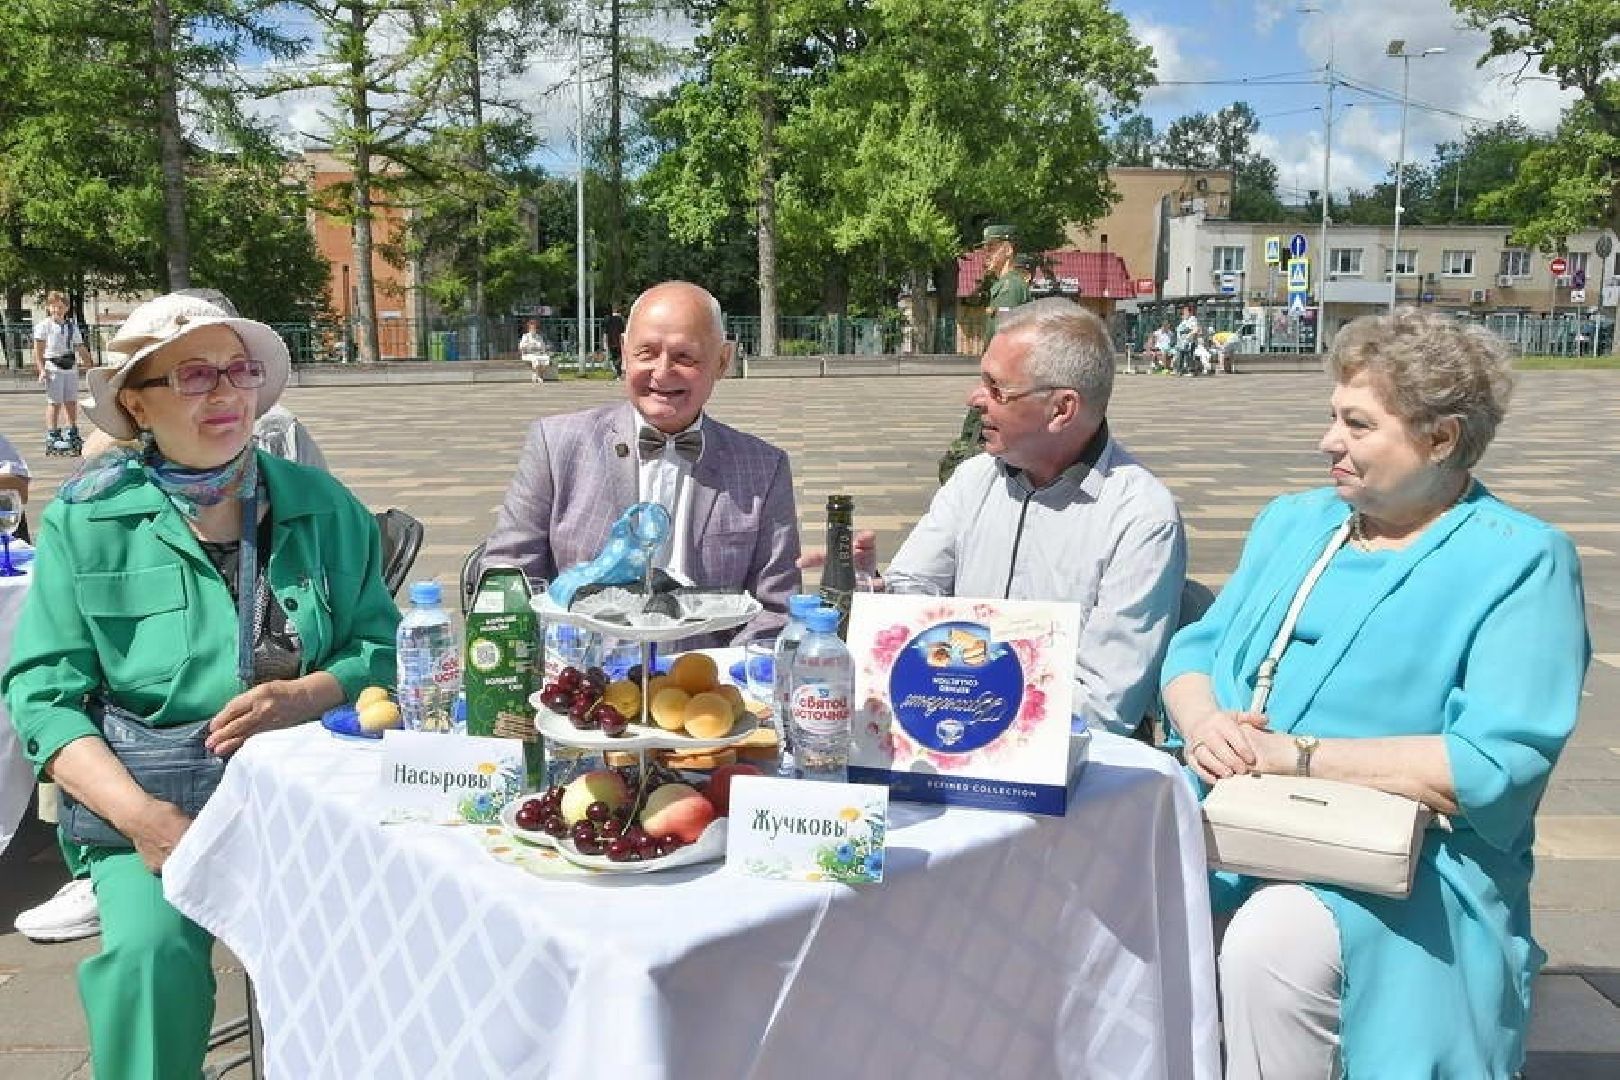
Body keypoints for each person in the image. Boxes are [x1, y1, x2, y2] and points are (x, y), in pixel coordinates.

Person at [1161, 309, 1589, 1078]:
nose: (1329, 443)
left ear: (1440, 439)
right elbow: (1194, 650)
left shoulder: (1522, 561)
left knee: (1273, 939)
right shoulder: (1294, 521)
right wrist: (1202, 724)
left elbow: (1492, 764)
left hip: (1407, 866)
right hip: (1227, 826)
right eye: (1334, 418)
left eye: (1358, 425)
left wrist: (1294, 756)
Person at [2, 291, 399, 1080]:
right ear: (137, 405)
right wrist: (144, 821)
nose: (225, 392)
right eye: (192, 375)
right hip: (152, 797)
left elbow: (384, 650)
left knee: (377, 948)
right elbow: (44, 695)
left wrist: (310, 692)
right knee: (151, 961)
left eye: (237, 370)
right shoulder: (87, 520)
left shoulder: (319, 503)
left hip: (307, 799)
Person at [839, 298, 1187, 736]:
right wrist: (871, 590)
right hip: (944, 729)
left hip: (1064, 768)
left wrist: (967, 709)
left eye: (996, 388)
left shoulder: (1141, 519)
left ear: (1061, 409)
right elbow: (916, 594)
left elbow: (1102, 705)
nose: (974, 399)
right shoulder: (974, 478)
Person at [482, 281, 801, 644]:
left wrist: (722, 679)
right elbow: (507, 575)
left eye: (685, 357)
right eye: (646, 353)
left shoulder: (764, 467)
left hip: (703, 688)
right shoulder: (557, 445)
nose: (662, 373)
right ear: (623, 352)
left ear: (722, 362)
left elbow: (775, 610)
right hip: (582, 682)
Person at [940, 225, 1034, 484]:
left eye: (993, 248)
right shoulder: (1003, 287)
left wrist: (994, 381)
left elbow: (1006, 339)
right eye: (985, 249)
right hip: (998, 380)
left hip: (1001, 382)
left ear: (1009, 250)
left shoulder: (1010, 288)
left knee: (974, 442)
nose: (987, 255)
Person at [33, 291, 93, 456]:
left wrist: (90, 367)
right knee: (55, 402)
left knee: (71, 401)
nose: (56, 310)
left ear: (66, 308)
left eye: (60, 307)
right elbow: (38, 351)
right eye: (53, 306)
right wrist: (41, 369)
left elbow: (80, 347)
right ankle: (52, 435)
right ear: (48, 307)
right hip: (53, 366)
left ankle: (71, 431)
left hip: (69, 366)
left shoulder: (71, 326)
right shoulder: (44, 326)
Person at [518, 318, 554, 383]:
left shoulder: (539, 337)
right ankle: (538, 376)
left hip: (538, 354)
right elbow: (521, 346)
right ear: (529, 328)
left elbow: (542, 347)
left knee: (547, 359)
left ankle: (538, 374)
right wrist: (531, 345)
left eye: (534, 328)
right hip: (528, 354)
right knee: (535, 360)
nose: (533, 329)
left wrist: (545, 348)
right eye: (531, 328)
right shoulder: (525, 336)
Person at [1174, 303, 1201, 376]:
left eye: (1185, 311)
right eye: (1183, 311)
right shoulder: (1184, 320)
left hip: (1189, 341)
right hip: (1181, 342)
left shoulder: (1192, 319)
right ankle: (1180, 370)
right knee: (1181, 355)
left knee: (1189, 355)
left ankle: (1191, 371)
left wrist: (1189, 335)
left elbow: (1196, 329)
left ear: (1190, 312)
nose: (1184, 312)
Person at [603, 306, 626, 377]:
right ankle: (618, 371)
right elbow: (622, 332)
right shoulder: (620, 320)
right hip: (618, 341)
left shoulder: (608, 319)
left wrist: (605, 342)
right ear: (619, 312)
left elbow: (605, 333)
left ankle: (616, 370)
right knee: (619, 356)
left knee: (613, 356)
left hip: (610, 341)